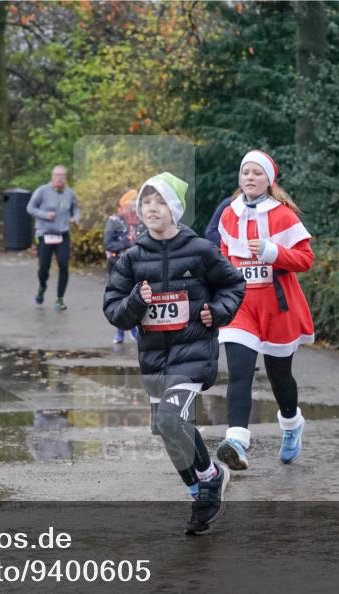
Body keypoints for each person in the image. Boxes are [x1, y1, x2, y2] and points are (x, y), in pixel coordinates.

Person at [103, 172, 246, 535]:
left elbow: (233, 285)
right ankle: (198, 493)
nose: (152, 209)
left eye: (160, 202)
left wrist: (217, 312)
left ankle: (211, 477)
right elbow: (114, 309)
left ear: (175, 209)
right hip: (155, 358)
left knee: (170, 420)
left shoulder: (200, 250)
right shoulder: (133, 257)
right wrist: (136, 302)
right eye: (146, 202)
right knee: (167, 431)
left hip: (193, 351)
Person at [215, 150, 315, 471]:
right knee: (239, 372)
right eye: (245, 172)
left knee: (279, 375)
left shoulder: (283, 216)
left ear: (268, 181)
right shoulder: (229, 214)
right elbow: (224, 259)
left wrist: (273, 252)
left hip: (277, 307)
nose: (250, 178)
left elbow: (306, 259)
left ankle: (291, 424)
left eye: (257, 173)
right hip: (242, 307)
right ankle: (236, 442)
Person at [27, 165, 80, 311]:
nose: (60, 178)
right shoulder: (42, 191)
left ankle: (60, 299)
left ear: (66, 178)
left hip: (62, 234)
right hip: (44, 234)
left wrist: (75, 218)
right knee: (44, 267)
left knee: (63, 264)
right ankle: (42, 286)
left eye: (62, 175)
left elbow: (76, 209)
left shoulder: (70, 194)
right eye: (57, 175)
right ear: (52, 176)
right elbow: (30, 208)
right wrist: (45, 215)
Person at [103, 188, 141, 343]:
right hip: (117, 264)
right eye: (132, 201)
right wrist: (127, 243)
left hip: (136, 264)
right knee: (120, 298)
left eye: (136, 201)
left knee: (135, 296)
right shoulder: (114, 220)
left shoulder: (142, 219)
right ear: (124, 204)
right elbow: (108, 244)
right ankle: (121, 332)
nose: (134, 204)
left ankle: (134, 328)